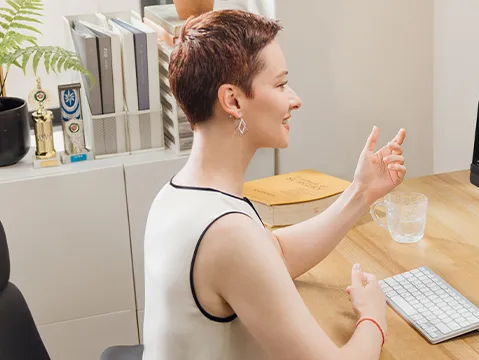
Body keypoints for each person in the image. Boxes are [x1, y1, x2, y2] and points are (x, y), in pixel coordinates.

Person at [143, 10, 407, 360]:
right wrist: (373, 316)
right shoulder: (227, 232)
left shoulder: (179, 195)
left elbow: (274, 255)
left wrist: (361, 193)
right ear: (233, 101)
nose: (294, 99)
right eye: (281, 85)